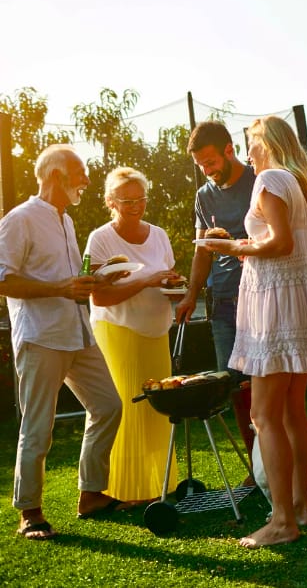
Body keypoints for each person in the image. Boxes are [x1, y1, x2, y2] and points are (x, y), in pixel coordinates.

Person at [203, 115, 307, 548]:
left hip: (274, 309)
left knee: (264, 416)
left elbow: (279, 243)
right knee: (292, 412)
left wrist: (233, 247)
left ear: (268, 142)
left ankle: (283, 521)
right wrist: (253, 254)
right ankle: (300, 506)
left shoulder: (270, 180)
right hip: (295, 303)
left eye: (251, 142)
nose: (247, 152)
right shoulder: (302, 186)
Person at [0, 144, 125, 540]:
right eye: (80, 172)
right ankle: (30, 513)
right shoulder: (19, 220)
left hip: (77, 331)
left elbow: (70, 279)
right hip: (41, 336)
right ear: (56, 175)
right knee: (38, 426)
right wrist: (60, 287)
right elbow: (3, 280)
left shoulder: (66, 221)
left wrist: (99, 278)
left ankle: (91, 494)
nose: (86, 180)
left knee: (108, 405)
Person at [85, 167, 186, 504]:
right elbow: (99, 296)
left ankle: (158, 486)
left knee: (158, 408)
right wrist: (146, 280)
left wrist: (175, 287)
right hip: (119, 332)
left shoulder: (158, 235)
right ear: (110, 202)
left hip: (157, 331)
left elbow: (166, 281)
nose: (135, 205)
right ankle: (123, 490)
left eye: (140, 198)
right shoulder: (101, 239)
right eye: (127, 200)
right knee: (127, 409)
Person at [175, 121, 256, 464]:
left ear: (229, 149)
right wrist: (191, 295)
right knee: (235, 387)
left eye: (210, 162)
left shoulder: (259, 180)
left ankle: (282, 461)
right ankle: (257, 466)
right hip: (222, 302)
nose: (207, 171)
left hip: (260, 294)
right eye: (200, 166)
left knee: (266, 385)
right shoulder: (203, 196)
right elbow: (202, 250)